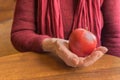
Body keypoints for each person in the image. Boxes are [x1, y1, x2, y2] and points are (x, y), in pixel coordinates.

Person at [11, 0, 120, 67]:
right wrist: (53, 44)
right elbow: (20, 33)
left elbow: (114, 37)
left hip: (92, 67)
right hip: (46, 66)